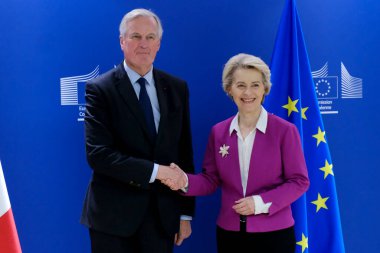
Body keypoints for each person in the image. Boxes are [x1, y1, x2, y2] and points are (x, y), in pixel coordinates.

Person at [165, 53, 310, 253]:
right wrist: (184, 181)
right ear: (229, 89)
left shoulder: (285, 131)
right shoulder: (219, 132)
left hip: (275, 234)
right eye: (241, 85)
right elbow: (210, 180)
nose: (248, 92)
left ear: (265, 88)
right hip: (230, 233)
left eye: (255, 85)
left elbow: (299, 181)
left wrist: (258, 203)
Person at [80, 8, 195, 253]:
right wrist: (157, 171)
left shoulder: (177, 88)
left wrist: (185, 213)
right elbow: (98, 155)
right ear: (122, 41)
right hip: (113, 219)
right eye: (135, 36)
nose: (143, 44)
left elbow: (184, 151)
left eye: (150, 37)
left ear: (159, 44)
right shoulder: (100, 89)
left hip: (162, 217)